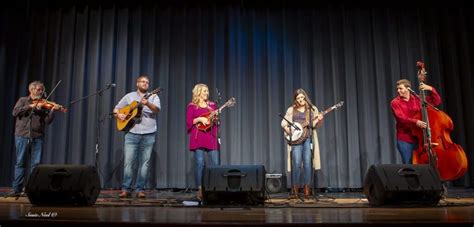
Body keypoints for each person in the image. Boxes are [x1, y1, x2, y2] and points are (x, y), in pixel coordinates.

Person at [113, 75, 161, 198]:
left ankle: (140, 189)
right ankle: (126, 189)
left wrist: (148, 103)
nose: (145, 84)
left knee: (144, 163)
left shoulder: (154, 96)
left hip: (148, 133)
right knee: (129, 163)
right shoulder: (129, 96)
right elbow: (116, 109)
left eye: (147, 82)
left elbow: (157, 110)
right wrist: (119, 115)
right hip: (131, 133)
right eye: (143, 82)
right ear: (137, 83)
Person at [11, 81, 60, 195]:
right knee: (20, 163)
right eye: (39, 89)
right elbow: (15, 112)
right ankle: (17, 189)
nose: (41, 92)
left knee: (36, 165)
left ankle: (33, 189)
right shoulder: (23, 100)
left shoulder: (44, 104)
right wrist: (31, 106)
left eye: (42, 90)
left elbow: (48, 121)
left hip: (37, 136)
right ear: (31, 90)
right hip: (22, 135)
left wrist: (52, 110)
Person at [281, 89, 323, 199]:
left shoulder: (312, 109)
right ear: (295, 99)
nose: (300, 100)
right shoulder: (291, 110)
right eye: (298, 98)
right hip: (296, 141)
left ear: (305, 97)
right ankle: (295, 190)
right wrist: (287, 129)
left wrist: (319, 120)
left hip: (307, 139)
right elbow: (284, 122)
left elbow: (315, 125)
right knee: (296, 163)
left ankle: (307, 189)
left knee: (308, 163)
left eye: (302, 97)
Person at [390, 79, 441, 164]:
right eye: (397, 89)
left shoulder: (418, 99)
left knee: (423, 165)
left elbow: (436, 101)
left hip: (419, 139)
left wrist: (431, 89)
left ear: (408, 89)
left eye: (400, 88)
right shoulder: (395, 103)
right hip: (405, 140)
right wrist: (416, 121)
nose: (398, 91)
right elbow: (401, 118)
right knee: (409, 166)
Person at [186, 83, 220, 201]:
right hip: (198, 136)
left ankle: (215, 188)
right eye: (204, 91)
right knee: (200, 163)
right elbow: (189, 121)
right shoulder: (192, 106)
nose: (207, 93)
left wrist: (215, 118)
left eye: (207, 91)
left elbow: (215, 121)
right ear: (198, 92)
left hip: (210, 136)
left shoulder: (212, 105)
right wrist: (200, 119)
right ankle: (200, 189)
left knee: (215, 163)